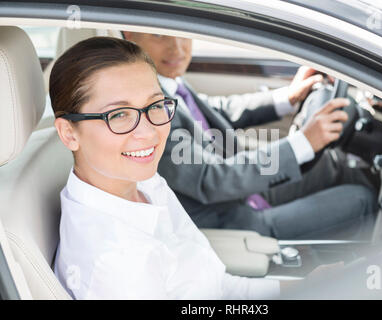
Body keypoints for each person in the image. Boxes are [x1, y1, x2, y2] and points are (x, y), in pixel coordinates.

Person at [51, 37, 281, 299]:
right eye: (118, 114)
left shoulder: (143, 182)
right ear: (69, 134)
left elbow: (217, 287)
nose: (149, 133)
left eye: (155, 106)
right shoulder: (118, 266)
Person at [122, 32, 376, 240]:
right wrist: (304, 142)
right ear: (130, 35)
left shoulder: (168, 83)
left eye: (184, 35)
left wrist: (288, 97)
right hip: (231, 220)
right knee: (361, 200)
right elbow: (211, 179)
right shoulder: (151, 113)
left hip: (242, 193)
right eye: (160, 35)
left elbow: (218, 109)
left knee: (335, 166)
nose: (177, 48)